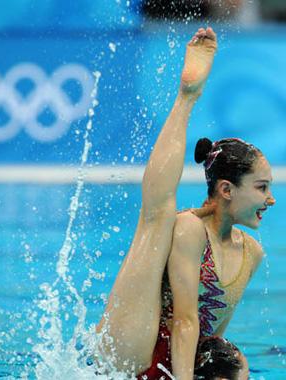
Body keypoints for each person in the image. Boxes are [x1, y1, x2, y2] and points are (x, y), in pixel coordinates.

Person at [96, 27, 275, 379]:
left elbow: (210, 339)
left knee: (238, 364)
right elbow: (185, 320)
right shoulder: (189, 229)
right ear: (226, 189)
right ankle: (186, 96)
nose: (270, 199)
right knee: (157, 219)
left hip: (178, 364)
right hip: (135, 348)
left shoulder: (251, 253)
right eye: (261, 187)